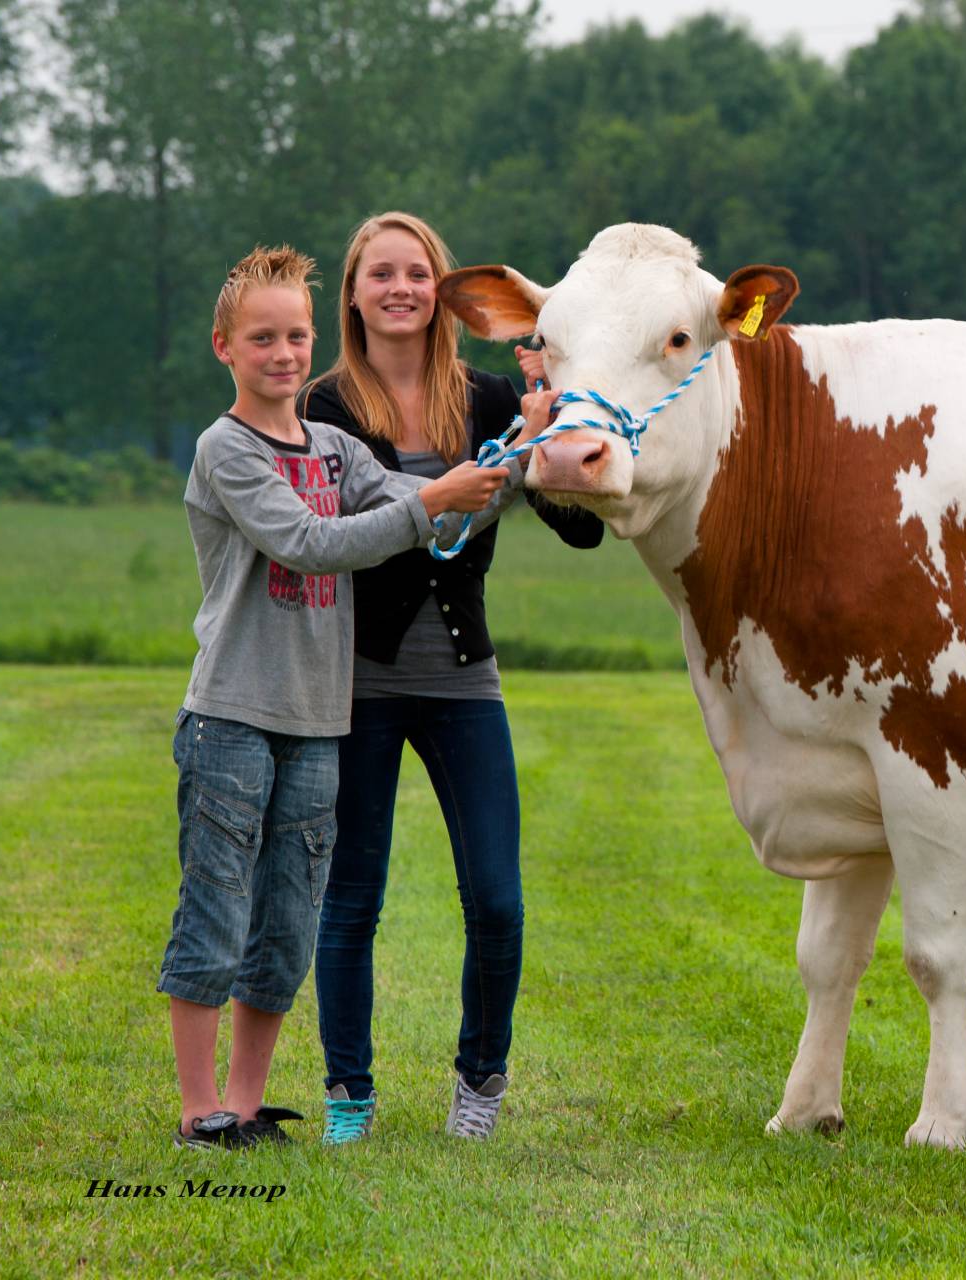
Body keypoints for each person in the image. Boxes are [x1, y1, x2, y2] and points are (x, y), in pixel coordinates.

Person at [163, 245, 512, 1149]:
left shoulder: (333, 446)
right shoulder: (225, 449)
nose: (284, 354)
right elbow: (308, 542)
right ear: (224, 348)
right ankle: (199, 1110)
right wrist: (431, 499)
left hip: (320, 721)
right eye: (264, 338)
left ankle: (245, 1108)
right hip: (234, 715)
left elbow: (420, 504)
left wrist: (513, 456)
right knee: (216, 913)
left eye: (296, 337)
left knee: (285, 926)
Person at [301, 211, 603, 1145]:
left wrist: (543, 443)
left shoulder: (482, 400)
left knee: (498, 900)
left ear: (443, 294)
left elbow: (581, 526)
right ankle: (349, 1096)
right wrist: (434, 498)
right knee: (352, 899)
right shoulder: (323, 408)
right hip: (355, 683)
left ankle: (481, 1081)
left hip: (466, 682)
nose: (400, 288)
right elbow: (320, 543)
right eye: (380, 273)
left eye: (418, 273)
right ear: (352, 293)